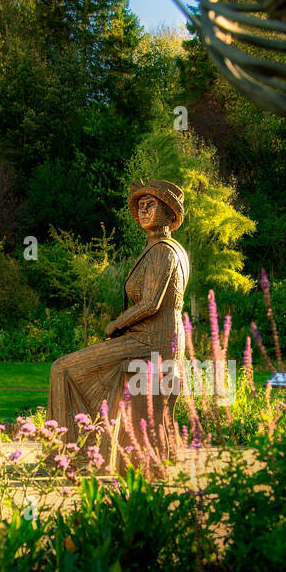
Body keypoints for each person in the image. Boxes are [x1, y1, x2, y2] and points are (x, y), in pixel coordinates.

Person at [46, 178, 190, 471]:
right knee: (78, 369)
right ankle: (87, 448)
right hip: (152, 338)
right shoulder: (163, 249)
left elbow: (151, 303)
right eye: (140, 206)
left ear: (168, 212)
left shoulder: (164, 250)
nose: (143, 210)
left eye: (151, 205)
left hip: (152, 341)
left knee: (62, 368)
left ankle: (71, 454)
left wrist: (115, 324)